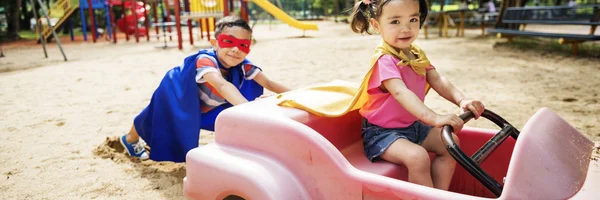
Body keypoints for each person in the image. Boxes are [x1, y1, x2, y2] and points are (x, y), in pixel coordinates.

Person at [349, 0, 485, 190]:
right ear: (376, 25)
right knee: (418, 157)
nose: (406, 29)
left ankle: (440, 194)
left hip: (412, 126)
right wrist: (434, 117)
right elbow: (401, 92)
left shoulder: (415, 53)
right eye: (395, 22)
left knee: (451, 144)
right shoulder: (384, 60)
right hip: (382, 133)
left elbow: (437, 79)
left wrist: (462, 99)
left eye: (413, 19)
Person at [119, 16, 290, 162]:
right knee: (155, 113)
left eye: (243, 45)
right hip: (176, 92)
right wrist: (249, 108)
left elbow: (269, 83)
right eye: (228, 42)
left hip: (204, 105)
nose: (235, 49)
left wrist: (299, 96)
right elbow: (221, 84)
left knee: (230, 121)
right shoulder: (206, 60)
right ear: (215, 43)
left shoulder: (243, 65)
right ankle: (130, 138)